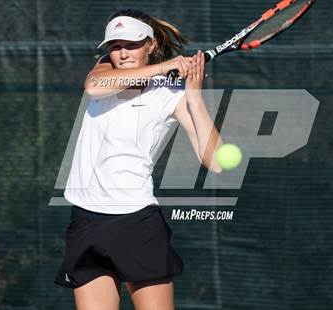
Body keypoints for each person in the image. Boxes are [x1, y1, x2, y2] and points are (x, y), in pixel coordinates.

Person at [54, 8, 223, 310]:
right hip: (86, 220)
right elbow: (94, 87)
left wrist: (194, 97)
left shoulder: (172, 93)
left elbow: (217, 162)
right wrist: (165, 67)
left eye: (132, 44)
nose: (123, 53)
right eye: (116, 46)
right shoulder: (104, 70)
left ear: (151, 44)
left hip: (137, 223)